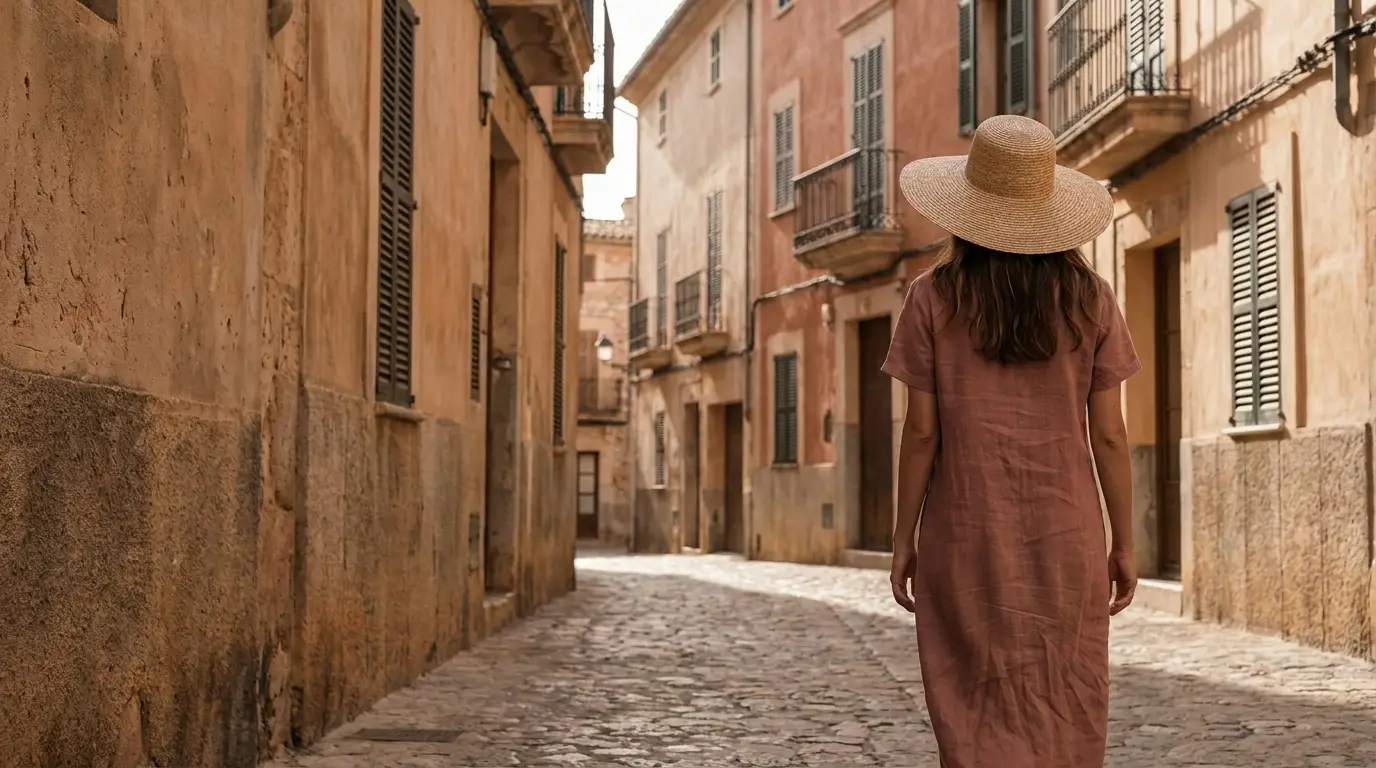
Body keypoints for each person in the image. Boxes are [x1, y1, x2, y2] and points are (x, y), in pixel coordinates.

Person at [882, 114, 1141, 768]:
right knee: (1065, 695)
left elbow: (920, 433)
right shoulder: (1092, 299)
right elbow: (1109, 434)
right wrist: (1125, 542)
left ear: (968, 208)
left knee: (971, 702)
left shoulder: (931, 298)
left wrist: (903, 538)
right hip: (1067, 536)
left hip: (965, 534)